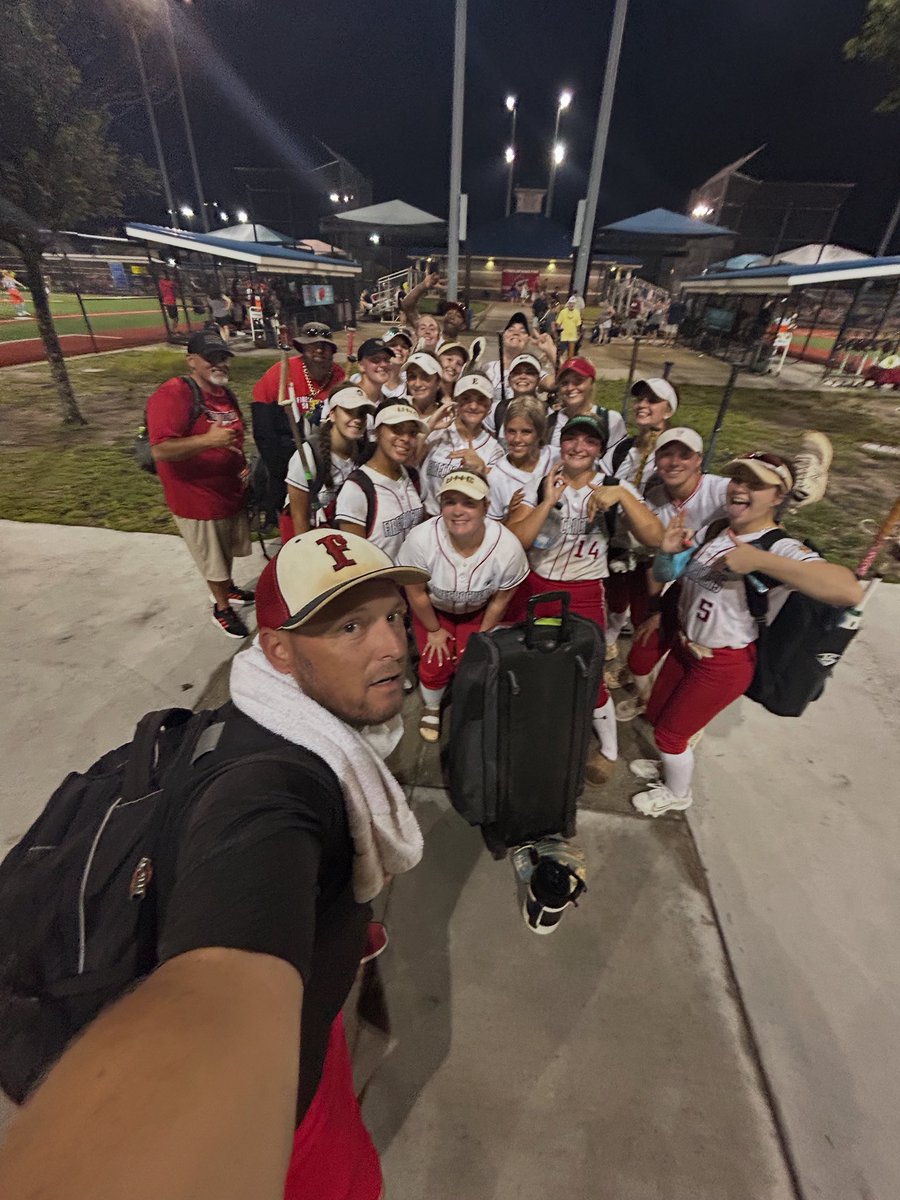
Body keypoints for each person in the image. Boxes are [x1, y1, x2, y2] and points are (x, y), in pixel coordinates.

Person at [0, 531, 428, 1200]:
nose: (392, 646)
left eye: (393, 616)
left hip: (314, 1044)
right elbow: (220, 982)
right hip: (287, 1133)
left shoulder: (261, 717)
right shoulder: (268, 791)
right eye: (350, 625)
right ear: (278, 650)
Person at [629, 452, 864, 818]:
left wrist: (761, 562)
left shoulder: (777, 546)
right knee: (659, 717)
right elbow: (688, 581)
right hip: (686, 648)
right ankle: (667, 769)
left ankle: (678, 794)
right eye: (738, 478)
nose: (740, 487)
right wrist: (668, 556)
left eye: (755, 483)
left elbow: (847, 589)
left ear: (777, 496)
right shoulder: (720, 529)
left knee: (671, 736)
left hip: (723, 662)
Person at [506, 413, 663, 785]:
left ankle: (609, 748)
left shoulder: (613, 485)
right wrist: (547, 502)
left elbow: (655, 536)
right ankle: (539, 729)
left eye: (589, 441)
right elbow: (516, 539)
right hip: (539, 587)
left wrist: (623, 494)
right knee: (538, 663)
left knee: (589, 674)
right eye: (572, 438)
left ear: (599, 449)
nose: (579, 447)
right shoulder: (542, 482)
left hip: (585, 592)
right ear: (561, 443)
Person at [399, 469, 529, 741]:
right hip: (434, 610)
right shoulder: (422, 539)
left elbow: (501, 600)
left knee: (472, 661)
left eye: (469, 502)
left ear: (486, 507)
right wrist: (433, 630)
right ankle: (432, 706)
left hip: (479, 610)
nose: (458, 510)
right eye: (450, 501)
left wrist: (481, 636)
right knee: (436, 660)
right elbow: (416, 593)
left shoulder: (507, 547)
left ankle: (467, 704)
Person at [610, 428, 729, 716]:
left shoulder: (720, 489)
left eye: (684, 454)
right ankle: (648, 700)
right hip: (682, 587)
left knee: (698, 669)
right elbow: (656, 565)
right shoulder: (655, 500)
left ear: (698, 459)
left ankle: (691, 722)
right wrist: (655, 609)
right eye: (666, 453)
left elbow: (758, 506)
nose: (674, 462)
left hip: (722, 596)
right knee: (640, 656)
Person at [146, 330, 254, 639]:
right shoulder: (175, 393)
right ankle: (221, 607)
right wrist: (207, 441)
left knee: (223, 552)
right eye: (211, 358)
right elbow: (160, 449)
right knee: (212, 559)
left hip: (227, 493)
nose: (219, 364)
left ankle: (228, 589)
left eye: (223, 358)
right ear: (191, 360)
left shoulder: (224, 393)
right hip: (197, 498)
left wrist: (241, 466)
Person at [602, 376, 679, 660]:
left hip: (652, 550)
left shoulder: (674, 452)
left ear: (668, 410)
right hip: (621, 541)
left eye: (652, 400)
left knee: (645, 608)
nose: (642, 405)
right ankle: (611, 640)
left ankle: (640, 664)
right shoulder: (624, 449)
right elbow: (604, 479)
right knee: (616, 597)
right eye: (640, 399)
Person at [251, 322, 345, 518]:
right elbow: (264, 430)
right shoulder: (281, 372)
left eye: (325, 345)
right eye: (313, 344)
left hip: (323, 458)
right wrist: (283, 471)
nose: (319, 349)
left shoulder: (339, 376)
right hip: (285, 456)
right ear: (302, 347)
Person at [335, 403, 427, 560]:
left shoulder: (412, 475)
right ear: (378, 432)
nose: (405, 438)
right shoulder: (356, 489)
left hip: (412, 579)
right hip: (378, 582)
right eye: (396, 429)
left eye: (412, 433)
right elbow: (354, 560)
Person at [283, 384, 374, 539]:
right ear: (332, 414)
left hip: (343, 536)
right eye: (349, 411)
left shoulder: (365, 452)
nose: (357, 419)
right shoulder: (308, 455)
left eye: (362, 413)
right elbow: (299, 519)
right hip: (310, 536)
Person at [420, 371, 504, 515]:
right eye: (465, 399)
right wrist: (429, 426)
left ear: (490, 406)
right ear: (455, 402)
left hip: (463, 523)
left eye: (481, 400)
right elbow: (408, 458)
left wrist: (481, 470)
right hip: (428, 518)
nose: (473, 406)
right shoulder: (437, 432)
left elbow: (495, 496)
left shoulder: (494, 449)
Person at [487, 397, 558, 522]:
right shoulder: (496, 477)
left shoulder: (557, 457)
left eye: (526, 432)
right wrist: (509, 515)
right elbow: (492, 530)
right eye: (511, 431)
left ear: (540, 433)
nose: (517, 439)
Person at [548, 357, 627, 456]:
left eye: (578, 381)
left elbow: (616, 463)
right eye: (564, 383)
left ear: (591, 383)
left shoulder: (610, 420)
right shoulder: (549, 422)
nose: (570, 388)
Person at [403, 350, 444, 421]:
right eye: (412, 376)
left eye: (425, 376)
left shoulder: (448, 416)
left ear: (438, 381)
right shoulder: (397, 410)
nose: (417, 384)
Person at [381, 326, 414, 399]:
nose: (399, 348)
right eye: (393, 345)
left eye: (404, 346)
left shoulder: (411, 389)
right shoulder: (371, 382)